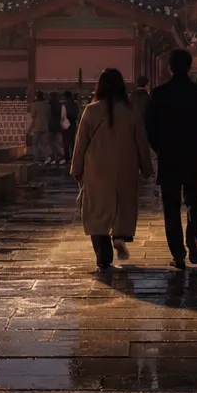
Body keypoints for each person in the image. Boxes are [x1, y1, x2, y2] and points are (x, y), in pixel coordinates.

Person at [145, 49, 197, 270]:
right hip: (194, 154)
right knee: (195, 201)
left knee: (171, 205)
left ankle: (178, 254)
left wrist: (159, 147)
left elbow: (150, 128)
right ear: (190, 66)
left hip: (169, 155)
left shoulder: (159, 94)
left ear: (170, 66)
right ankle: (193, 237)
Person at [70, 68, 152, 270]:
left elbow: (81, 143)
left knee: (97, 209)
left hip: (97, 167)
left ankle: (103, 254)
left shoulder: (91, 110)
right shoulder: (130, 111)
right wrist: (146, 168)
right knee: (123, 204)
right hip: (126, 165)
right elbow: (142, 142)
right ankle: (120, 236)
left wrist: (77, 168)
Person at [28, 91, 52, 164]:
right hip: (45, 126)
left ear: (37, 96)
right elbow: (49, 116)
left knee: (35, 144)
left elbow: (33, 116)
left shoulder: (34, 105)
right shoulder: (47, 105)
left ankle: (35, 159)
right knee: (44, 144)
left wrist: (29, 128)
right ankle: (46, 158)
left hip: (36, 126)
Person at [61, 89, 81, 163]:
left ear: (65, 97)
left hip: (66, 125)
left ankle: (67, 158)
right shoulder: (75, 104)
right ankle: (73, 157)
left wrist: (62, 124)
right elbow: (77, 114)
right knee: (73, 142)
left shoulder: (64, 105)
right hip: (73, 125)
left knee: (66, 142)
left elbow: (63, 116)